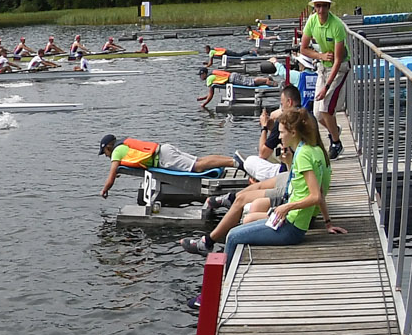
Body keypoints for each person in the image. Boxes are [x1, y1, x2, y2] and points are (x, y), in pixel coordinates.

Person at [201, 109, 335, 258]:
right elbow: (319, 190)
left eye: (282, 133)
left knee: (232, 236)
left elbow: (315, 196)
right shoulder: (313, 150)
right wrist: (327, 222)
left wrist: (287, 206)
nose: (279, 138)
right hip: (290, 220)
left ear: (293, 133)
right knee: (245, 224)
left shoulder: (303, 155)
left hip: (291, 227)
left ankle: (223, 277)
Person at [97, 133, 236, 197]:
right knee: (199, 160)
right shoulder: (122, 145)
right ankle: (231, 159)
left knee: (198, 167)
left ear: (108, 147)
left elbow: (110, 178)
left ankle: (233, 163)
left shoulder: (116, 152)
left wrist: (104, 190)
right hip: (164, 149)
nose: (106, 156)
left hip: (163, 158)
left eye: (105, 153)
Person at [300, 0, 349, 157]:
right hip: (323, 66)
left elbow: (337, 59)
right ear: (314, 7)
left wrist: (326, 87)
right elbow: (303, 49)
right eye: (318, 6)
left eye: (324, 6)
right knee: (317, 114)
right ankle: (334, 130)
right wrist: (320, 55)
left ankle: (336, 143)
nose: (320, 10)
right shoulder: (312, 21)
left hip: (339, 67)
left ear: (329, 7)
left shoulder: (337, 26)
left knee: (326, 108)